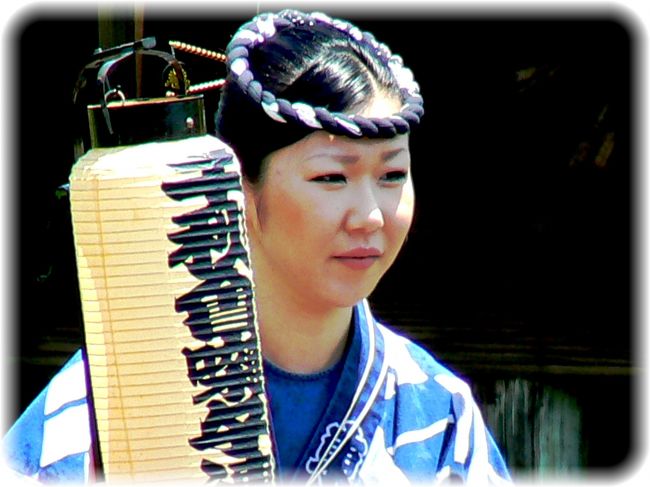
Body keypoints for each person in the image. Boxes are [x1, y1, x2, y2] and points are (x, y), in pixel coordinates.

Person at [3, 10, 512, 485]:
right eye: (332, 177)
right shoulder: (108, 403)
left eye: (392, 174)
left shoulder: (440, 416)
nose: (371, 215)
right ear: (240, 185)